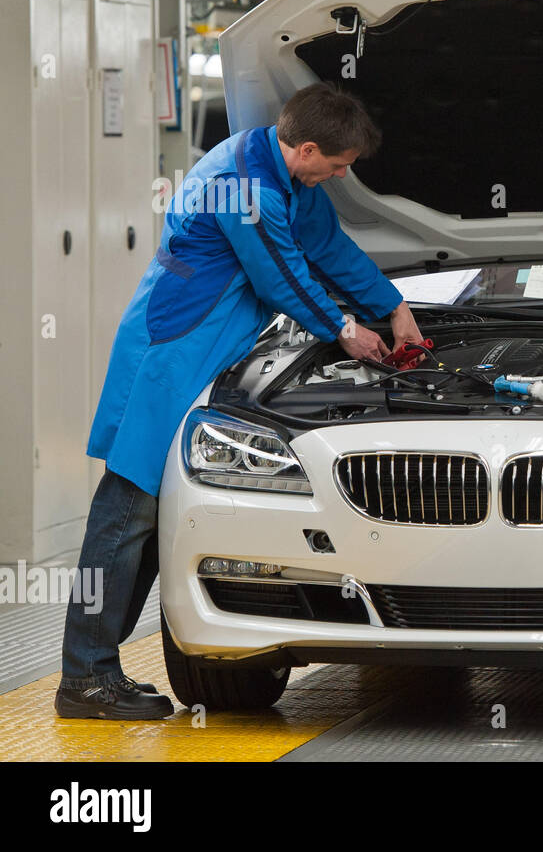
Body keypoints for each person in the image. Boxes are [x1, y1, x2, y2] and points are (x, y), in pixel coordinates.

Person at [56, 83, 422, 719]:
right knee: (124, 517)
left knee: (145, 524)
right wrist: (344, 329)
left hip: (208, 351)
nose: (343, 175)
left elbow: (328, 247)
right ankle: (84, 677)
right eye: (338, 166)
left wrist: (393, 307)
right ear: (307, 149)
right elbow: (278, 274)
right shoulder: (244, 186)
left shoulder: (284, 177)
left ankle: (99, 671)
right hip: (170, 351)